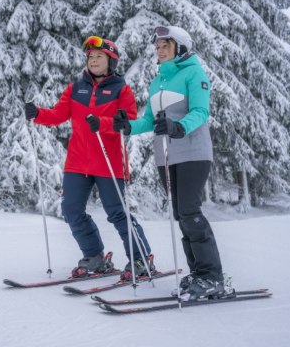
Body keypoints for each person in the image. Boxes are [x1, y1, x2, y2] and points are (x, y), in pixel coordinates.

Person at [112, 26, 229, 300]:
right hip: (166, 156)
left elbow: (201, 112)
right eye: (158, 46)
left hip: (193, 152)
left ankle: (212, 277)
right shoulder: (158, 81)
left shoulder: (193, 73)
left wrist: (178, 127)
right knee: (180, 214)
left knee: (189, 211)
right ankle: (198, 274)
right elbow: (150, 121)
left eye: (165, 45)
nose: (160, 50)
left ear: (181, 47)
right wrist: (127, 126)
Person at [25, 35, 154, 281]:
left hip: (109, 161)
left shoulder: (122, 90)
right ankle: (94, 256)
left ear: (111, 61)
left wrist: (102, 124)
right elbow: (57, 115)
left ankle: (140, 258)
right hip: (77, 162)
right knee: (71, 210)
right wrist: (37, 114)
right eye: (90, 57)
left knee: (117, 212)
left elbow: (128, 121)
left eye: (99, 56)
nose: (93, 60)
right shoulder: (76, 89)